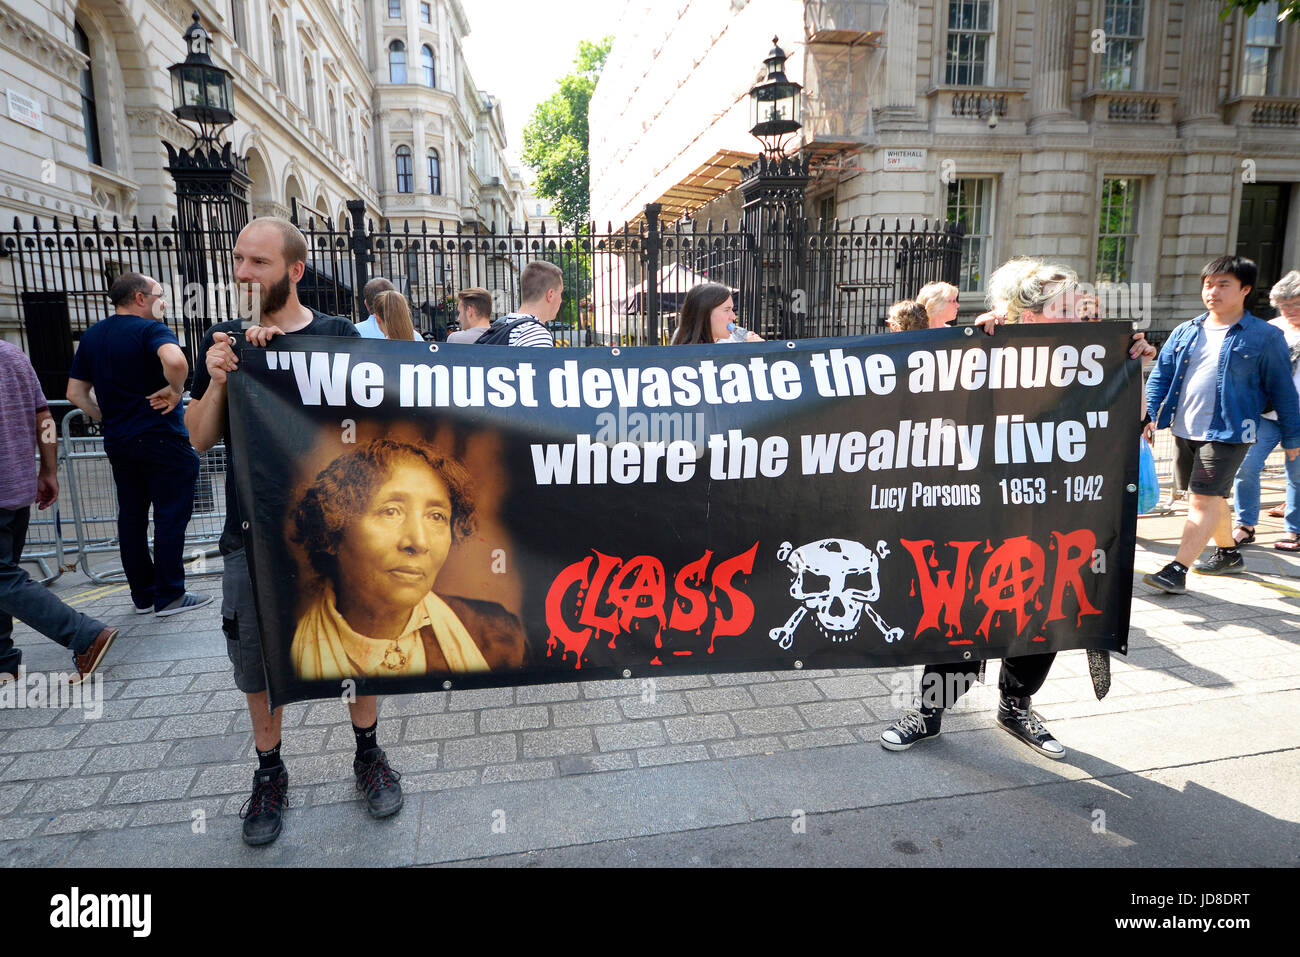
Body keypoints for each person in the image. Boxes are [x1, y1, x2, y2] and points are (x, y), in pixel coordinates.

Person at [185, 217, 403, 846]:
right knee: (256, 662)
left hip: (338, 537)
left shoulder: (336, 336)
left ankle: (368, 754)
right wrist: (224, 374)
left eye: (258, 262)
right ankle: (270, 773)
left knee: (359, 650)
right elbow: (200, 437)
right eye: (238, 261)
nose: (243, 273)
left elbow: (380, 416)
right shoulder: (224, 343)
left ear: (294, 271)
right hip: (250, 537)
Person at [879, 257, 1147, 760]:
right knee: (964, 610)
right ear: (1029, 314)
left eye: (1078, 304)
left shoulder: (1101, 355)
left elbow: (1129, 431)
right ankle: (931, 712)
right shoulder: (989, 348)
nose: (1080, 315)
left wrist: (1133, 367)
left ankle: (1016, 705)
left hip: (1060, 516)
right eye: (1065, 306)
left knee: (1043, 609)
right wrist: (980, 350)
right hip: (987, 513)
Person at [290, 439, 528, 679]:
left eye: (436, 516)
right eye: (390, 511)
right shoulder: (283, 651)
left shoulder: (498, 637)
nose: (419, 541)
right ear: (333, 530)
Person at [1143, 256, 1300, 593]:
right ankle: (1228, 553)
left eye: (1223, 284)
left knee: (1201, 499)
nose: (1212, 291)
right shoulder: (1186, 330)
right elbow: (1161, 376)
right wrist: (1147, 416)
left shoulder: (1264, 336)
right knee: (1209, 498)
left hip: (1230, 431)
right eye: (1208, 284)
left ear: (1245, 289)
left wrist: (1292, 436)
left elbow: (1282, 389)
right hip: (1184, 428)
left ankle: (1176, 569)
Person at [65, 272, 209, 617]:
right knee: (170, 516)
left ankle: (143, 595)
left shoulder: (94, 335)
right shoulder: (151, 329)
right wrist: (175, 391)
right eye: (159, 294)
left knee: (131, 516)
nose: (165, 301)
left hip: (120, 440)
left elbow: (74, 393)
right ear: (140, 298)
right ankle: (170, 594)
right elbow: (175, 361)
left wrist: (105, 416)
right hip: (161, 438)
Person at [0, 341, 117, 685]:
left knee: (4, 578)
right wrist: (48, 471)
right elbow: (45, 419)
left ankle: (83, 634)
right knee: (5, 578)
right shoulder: (13, 355)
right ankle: (3, 663)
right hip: (17, 489)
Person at [1231, 270, 1300, 551]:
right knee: (1245, 466)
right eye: (1284, 305)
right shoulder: (1271, 328)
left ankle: (1294, 531)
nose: (1289, 310)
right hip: (1267, 415)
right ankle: (1245, 524)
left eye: (1295, 304)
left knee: (1296, 474)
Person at [475, 261, 559, 346]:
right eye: (560, 294)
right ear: (550, 295)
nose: (561, 300)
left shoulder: (503, 323)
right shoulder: (535, 334)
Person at [669, 283, 762, 345]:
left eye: (732, 310)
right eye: (726, 310)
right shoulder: (685, 345)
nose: (733, 317)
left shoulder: (734, 338)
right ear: (704, 314)